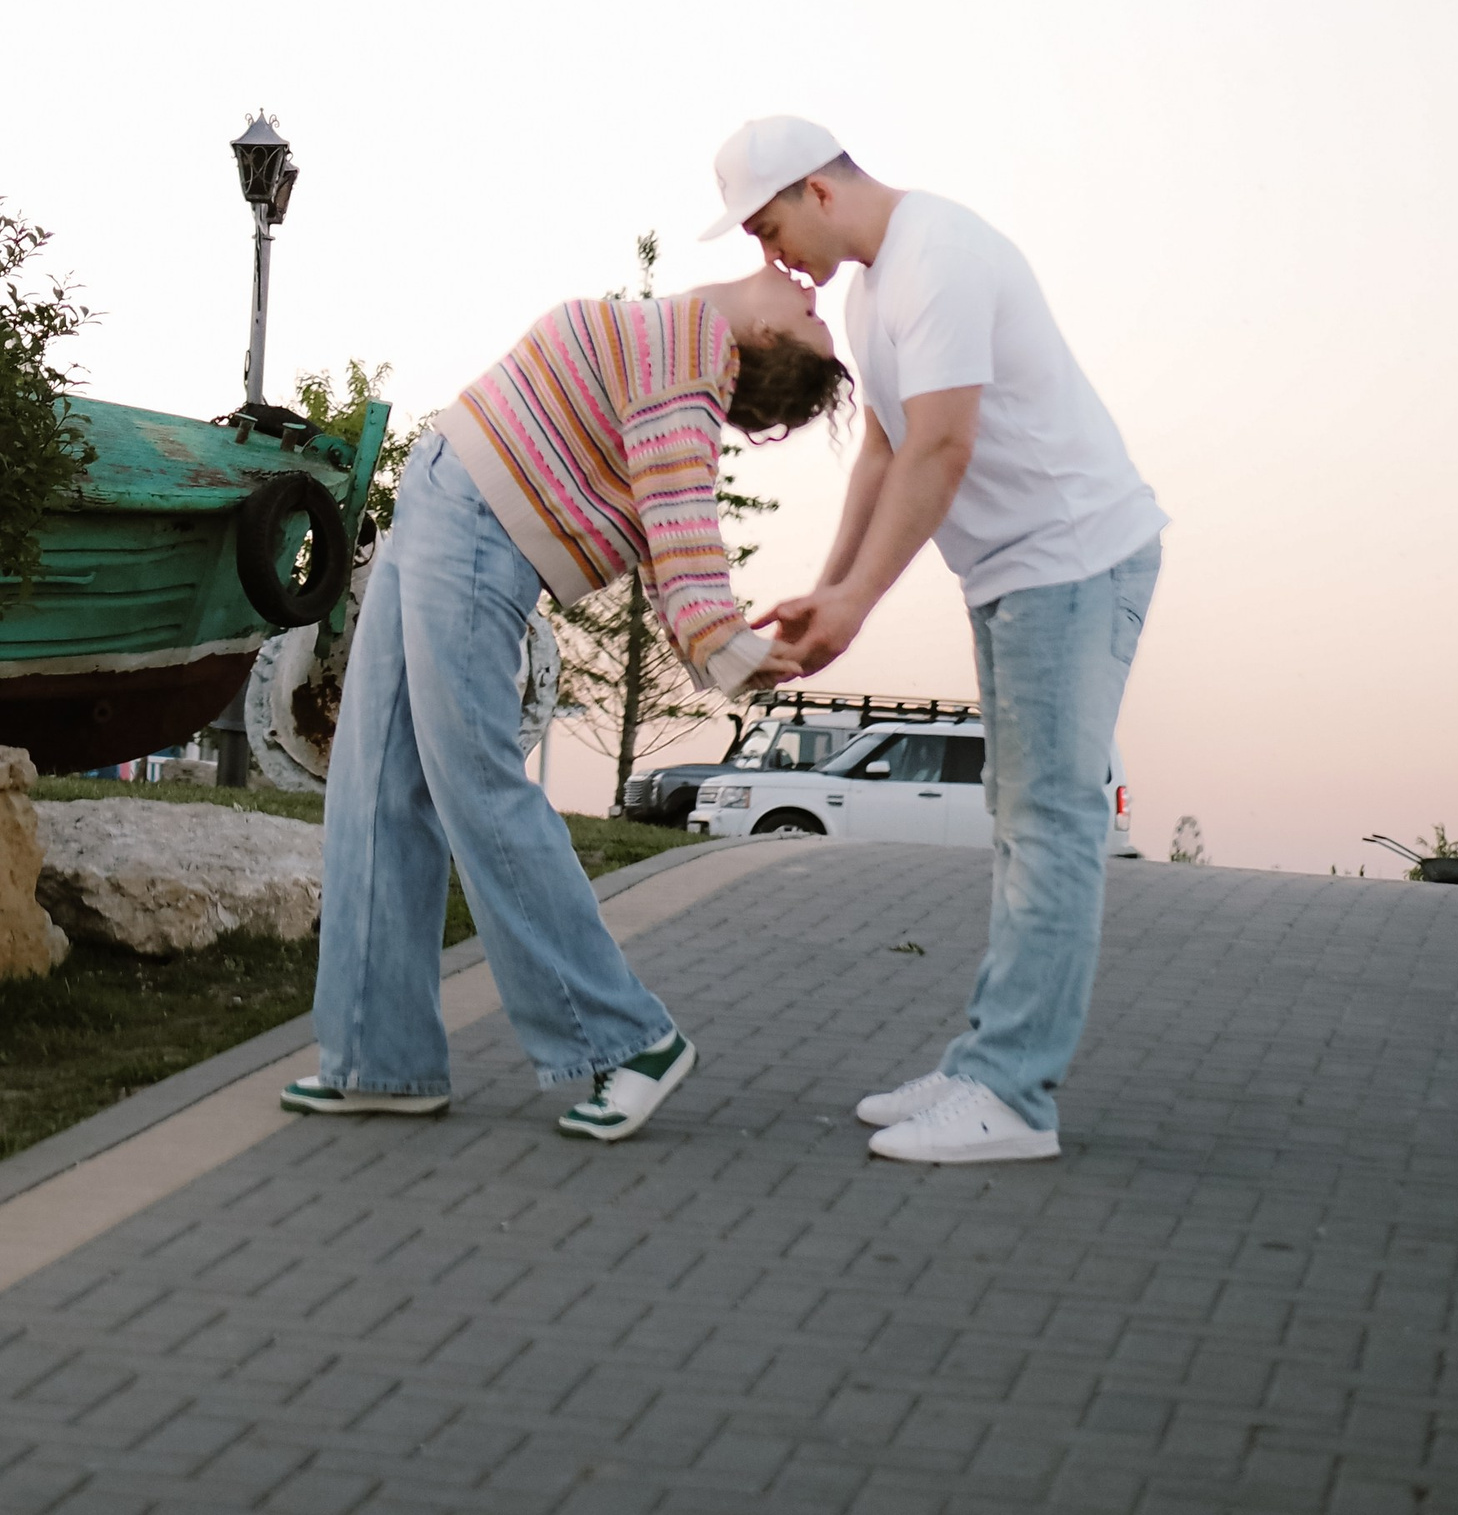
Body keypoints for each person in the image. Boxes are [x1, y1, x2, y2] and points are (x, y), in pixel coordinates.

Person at [287, 265, 847, 1144]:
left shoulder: (697, 346)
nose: (811, 293)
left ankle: (631, 1039)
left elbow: (682, 516)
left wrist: (730, 645)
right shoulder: (677, 335)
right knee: (376, 786)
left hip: (475, 529)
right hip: (442, 507)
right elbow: (670, 505)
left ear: (764, 341)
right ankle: (378, 1056)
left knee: (476, 783)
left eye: (812, 317)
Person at [706, 114, 1166, 1167]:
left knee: (1047, 824)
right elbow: (883, 444)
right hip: (1013, 570)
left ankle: (1013, 1095)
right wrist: (828, 588)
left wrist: (860, 602)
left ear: (818, 191)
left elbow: (945, 446)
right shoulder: (873, 294)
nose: (770, 257)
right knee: (1015, 819)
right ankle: (981, 1064)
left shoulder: (940, 258)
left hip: (1072, 558)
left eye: (770, 226)